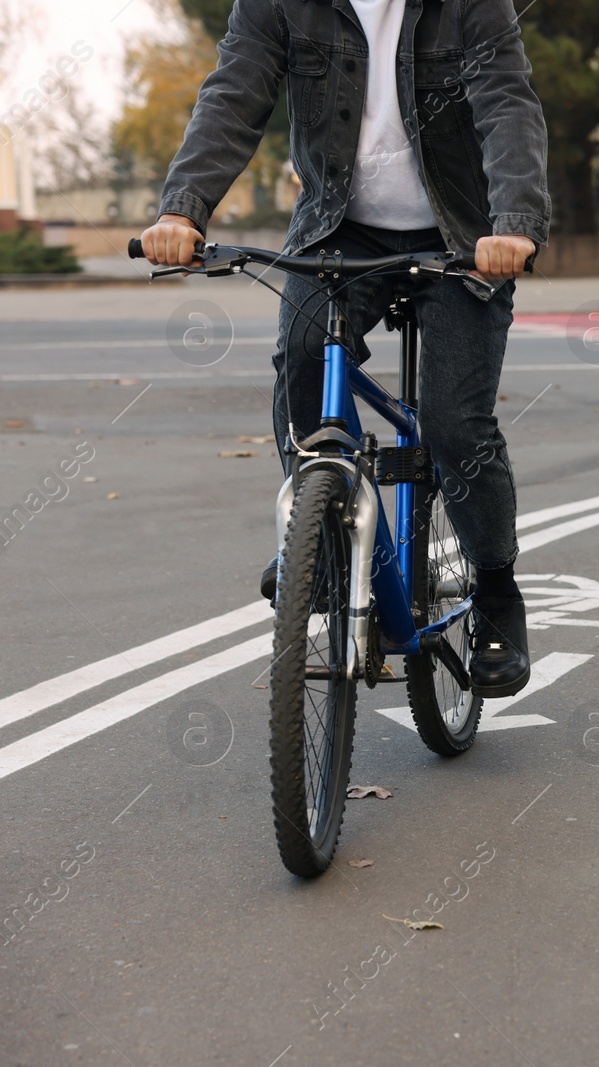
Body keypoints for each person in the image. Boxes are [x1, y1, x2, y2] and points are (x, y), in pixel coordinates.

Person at [138, 0, 548, 698]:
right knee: (302, 353)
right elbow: (234, 94)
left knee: (453, 421)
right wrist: (183, 208)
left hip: (462, 237)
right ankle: (323, 536)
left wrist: (515, 222)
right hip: (339, 228)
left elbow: (506, 101)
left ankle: (497, 591)